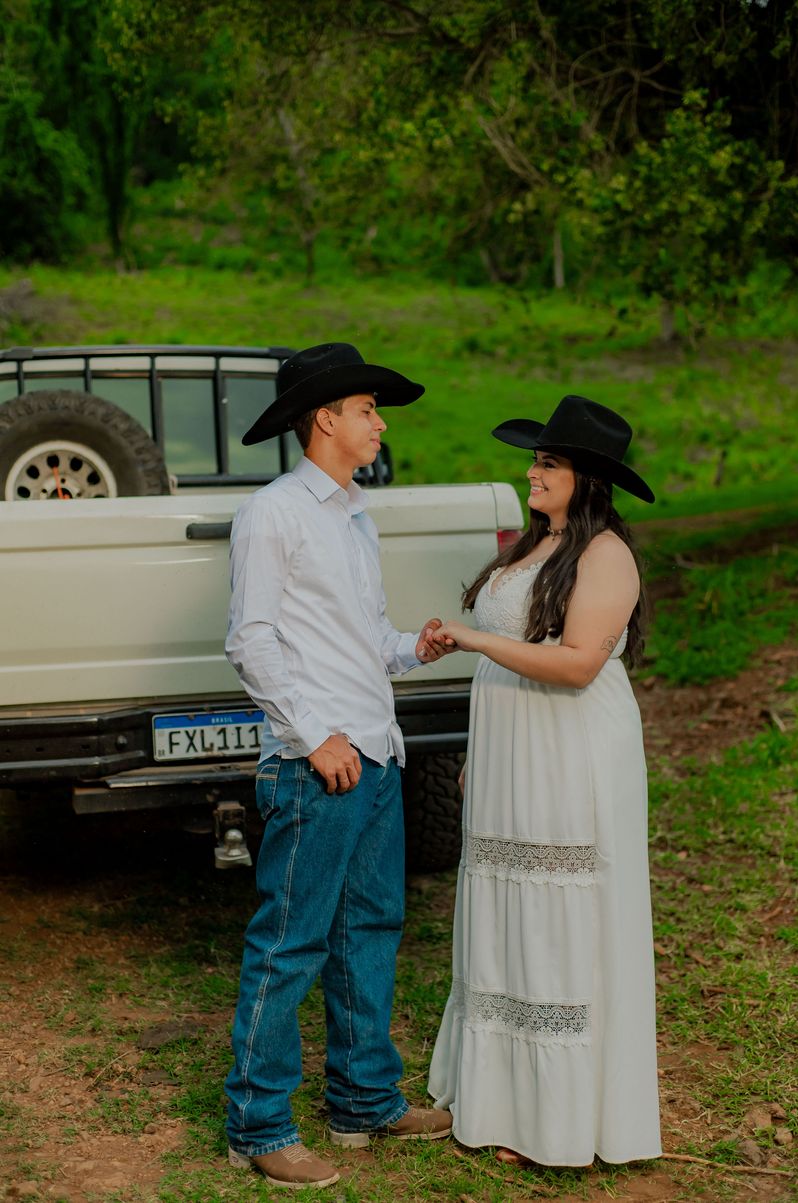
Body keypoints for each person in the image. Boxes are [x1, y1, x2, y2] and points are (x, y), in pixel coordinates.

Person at [223, 342, 453, 1191]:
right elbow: (251, 640)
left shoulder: (356, 514)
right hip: (316, 764)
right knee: (291, 942)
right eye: (367, 409)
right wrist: (314, 737)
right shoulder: (273, 513)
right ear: (325, 419)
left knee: (370, 931)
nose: (379, 423)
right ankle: (258, 1125)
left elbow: (364, 641)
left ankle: (363, 1101)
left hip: (377, 754)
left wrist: (414, 647)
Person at [427, 394, 662, 1168]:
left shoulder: (606, 555)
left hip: (569, 749)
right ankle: (501, 1102)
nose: (532, 472)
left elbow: (577, 663)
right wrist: (479, 756)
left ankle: (557, 1121)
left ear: (586, 479)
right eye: (534, 460)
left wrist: (472, 640)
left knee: (558, 918)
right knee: (505, 912)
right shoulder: (537, 544)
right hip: (512, 749)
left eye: (548, 463)